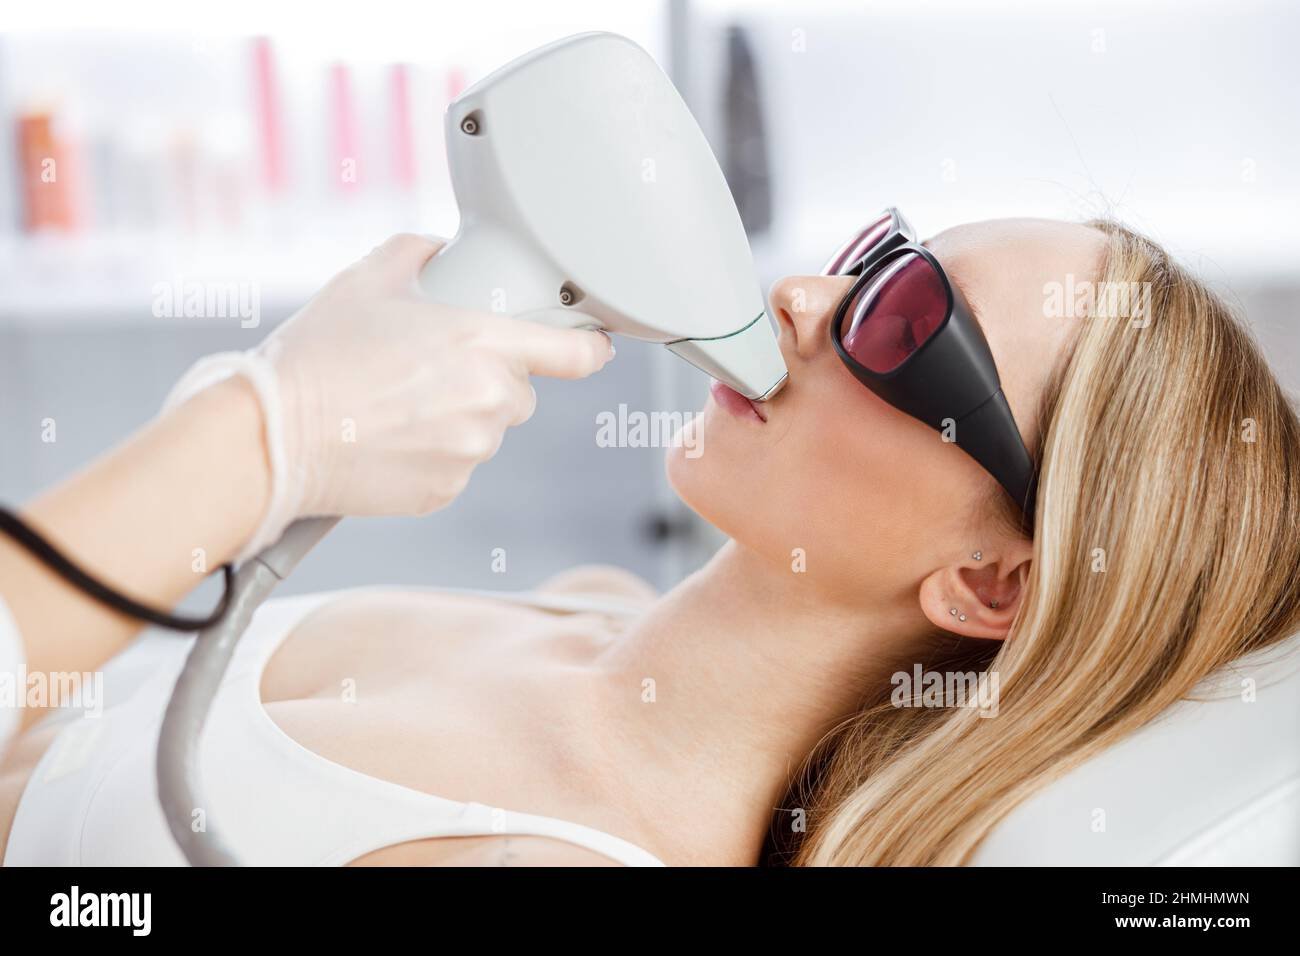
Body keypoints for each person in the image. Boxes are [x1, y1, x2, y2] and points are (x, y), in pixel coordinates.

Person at [2, 219, 1297, 866]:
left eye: (902, 322)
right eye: (875, 255)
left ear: (992, 581)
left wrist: (263, 436)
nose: (801, 297)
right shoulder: (581, 602)